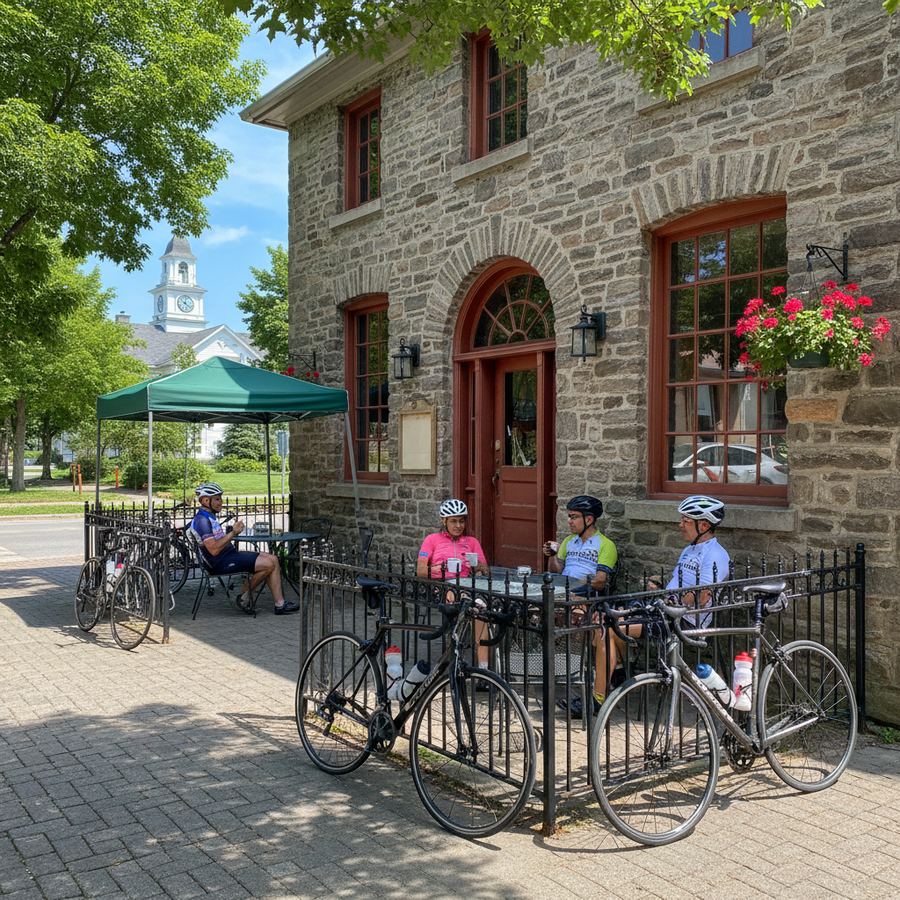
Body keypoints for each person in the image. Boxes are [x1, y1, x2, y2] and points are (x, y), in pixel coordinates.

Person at [594, 494, 730, 716]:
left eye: (686, 521)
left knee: (607, 629)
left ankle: (597, 699)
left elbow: (701, 596)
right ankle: (618, 676)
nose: (680, 526)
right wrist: (659, 591)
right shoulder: (689, 550)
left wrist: (669, 600)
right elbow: (675, 589)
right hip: (666, 613)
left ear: (704, 525)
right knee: (604, 618)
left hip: (684, 621)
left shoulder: (715, 555)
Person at [543, 495, 618, 718]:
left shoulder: (606, 545)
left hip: (586, 597)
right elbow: (556, 571)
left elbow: (600, 580)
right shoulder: (568, 542)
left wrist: (574, 588)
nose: (570, 522)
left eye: (574, 517)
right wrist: (552, 555)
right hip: (560, 592)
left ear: (589, 519)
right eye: (569, 517)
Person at [189, 482, 299, 615]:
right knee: (268, 564)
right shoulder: (201, 520)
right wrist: (233, 533)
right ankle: (244, 598)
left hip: (229, 556)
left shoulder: (209, 517)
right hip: (218, 563)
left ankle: (279, 604)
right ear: (206, 500)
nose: (221, 502)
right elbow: (213, 550)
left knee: (273, 559)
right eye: (217, 499)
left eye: (220, 499)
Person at [417, 499, 490, 666]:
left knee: (480, 611)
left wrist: (476, 566)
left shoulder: (472, 542)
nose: (458, 525)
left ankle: (483, 668)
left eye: (461, 521)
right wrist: (435, 569)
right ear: (444, 521)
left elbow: (485, 570)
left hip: (469, 586)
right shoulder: (432, 539)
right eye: (454, 521)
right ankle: (457, 653)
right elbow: (420, 571)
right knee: (461, 598)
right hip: (443, 587)